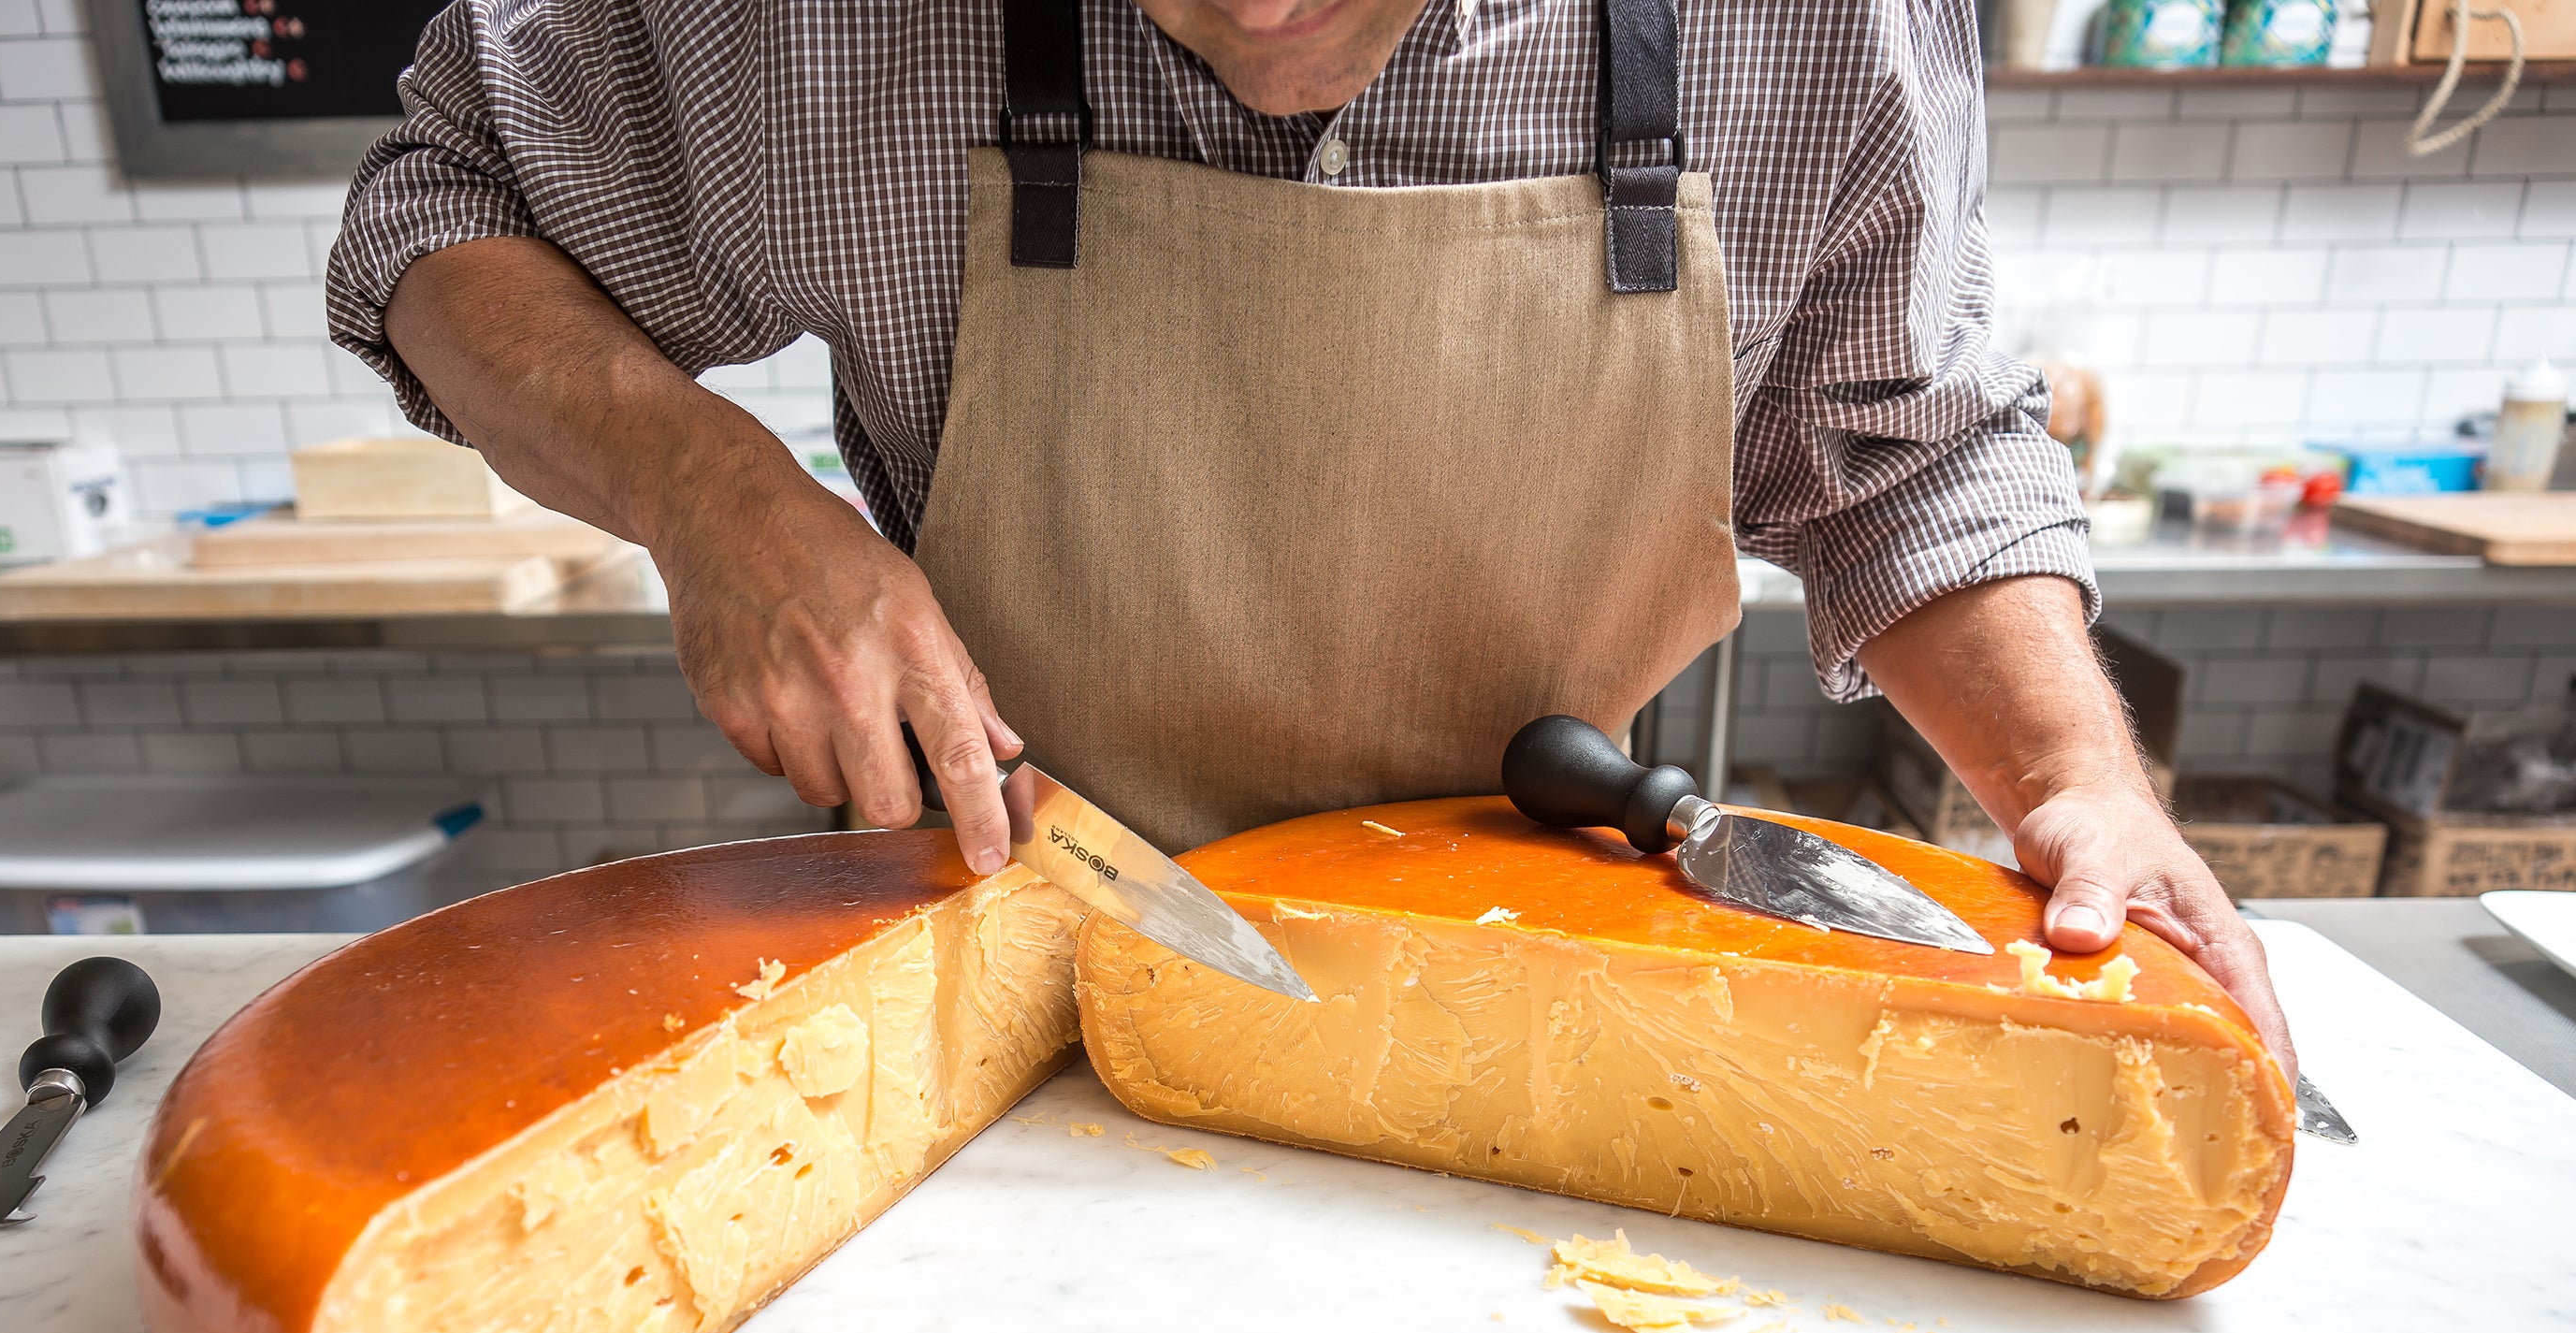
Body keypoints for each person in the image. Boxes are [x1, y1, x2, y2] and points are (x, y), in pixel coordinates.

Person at [327, 0, 2294, 1070]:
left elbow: (1908, 458)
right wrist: (717, 496)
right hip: (1012, 990)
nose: (1259, 6)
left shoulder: (1806, 29)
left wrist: (2074, 783)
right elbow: (433, 213)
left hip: (1564, 998)